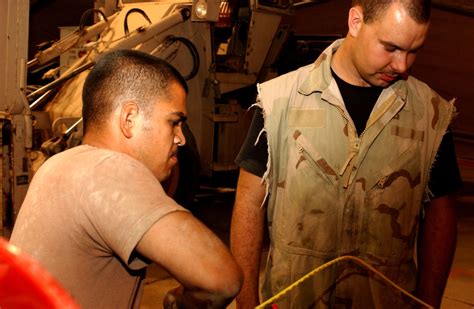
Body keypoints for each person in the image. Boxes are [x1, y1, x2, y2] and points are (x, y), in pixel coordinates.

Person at [230, 0, 462, 308]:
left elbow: (441, 215)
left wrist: (428, 302)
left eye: (413, 50)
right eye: (391, 47)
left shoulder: (430, 114)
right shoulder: (280, 100)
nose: (403, 65)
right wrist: (246, 302)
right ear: (355, 21)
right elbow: (248, 203)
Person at [10, 50, 242, 308]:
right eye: (173, 122)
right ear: (129, 119)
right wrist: (177, 301)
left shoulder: (58, 165)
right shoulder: (109, 170)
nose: (181, 138)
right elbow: (221, 279)